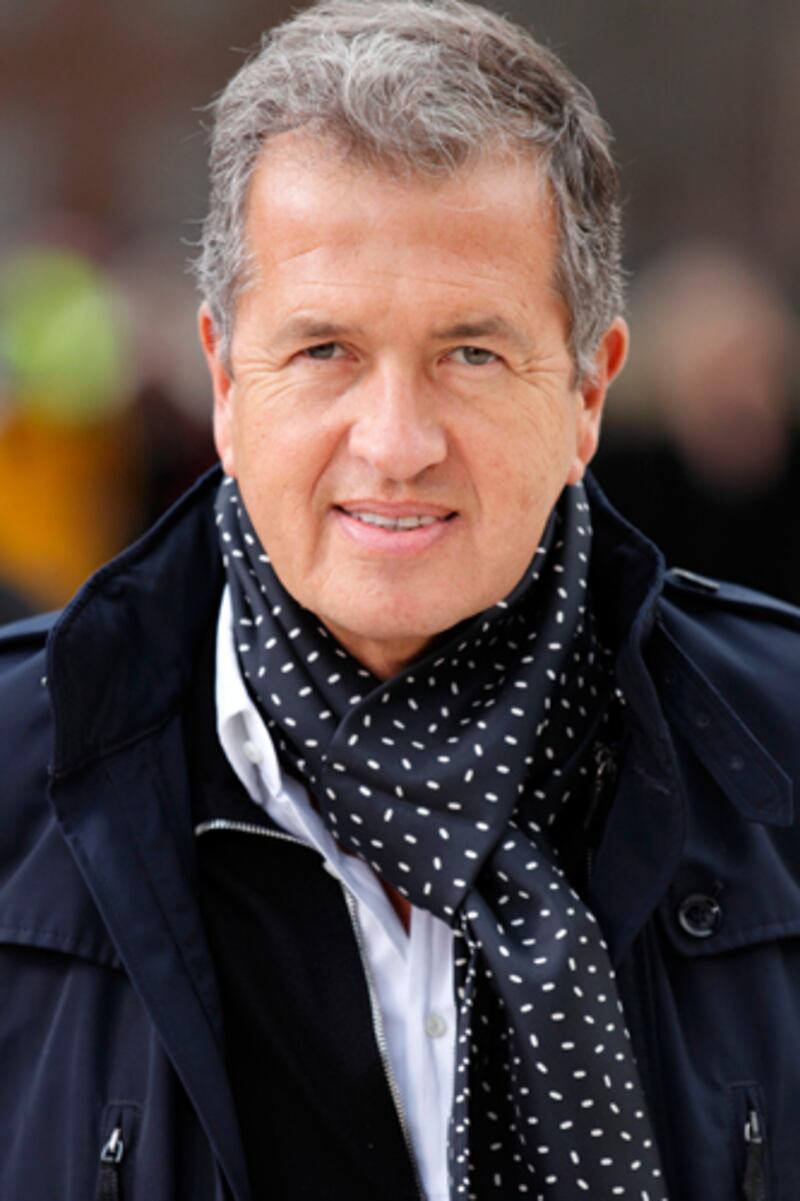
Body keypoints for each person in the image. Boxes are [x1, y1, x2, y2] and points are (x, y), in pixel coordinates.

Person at [0, 3, 797, 1199]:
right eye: (323, 350)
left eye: (470, 353)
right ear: (224, 380)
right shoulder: (16, 776)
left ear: (587, 391)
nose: (395, 443)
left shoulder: (777, 748)